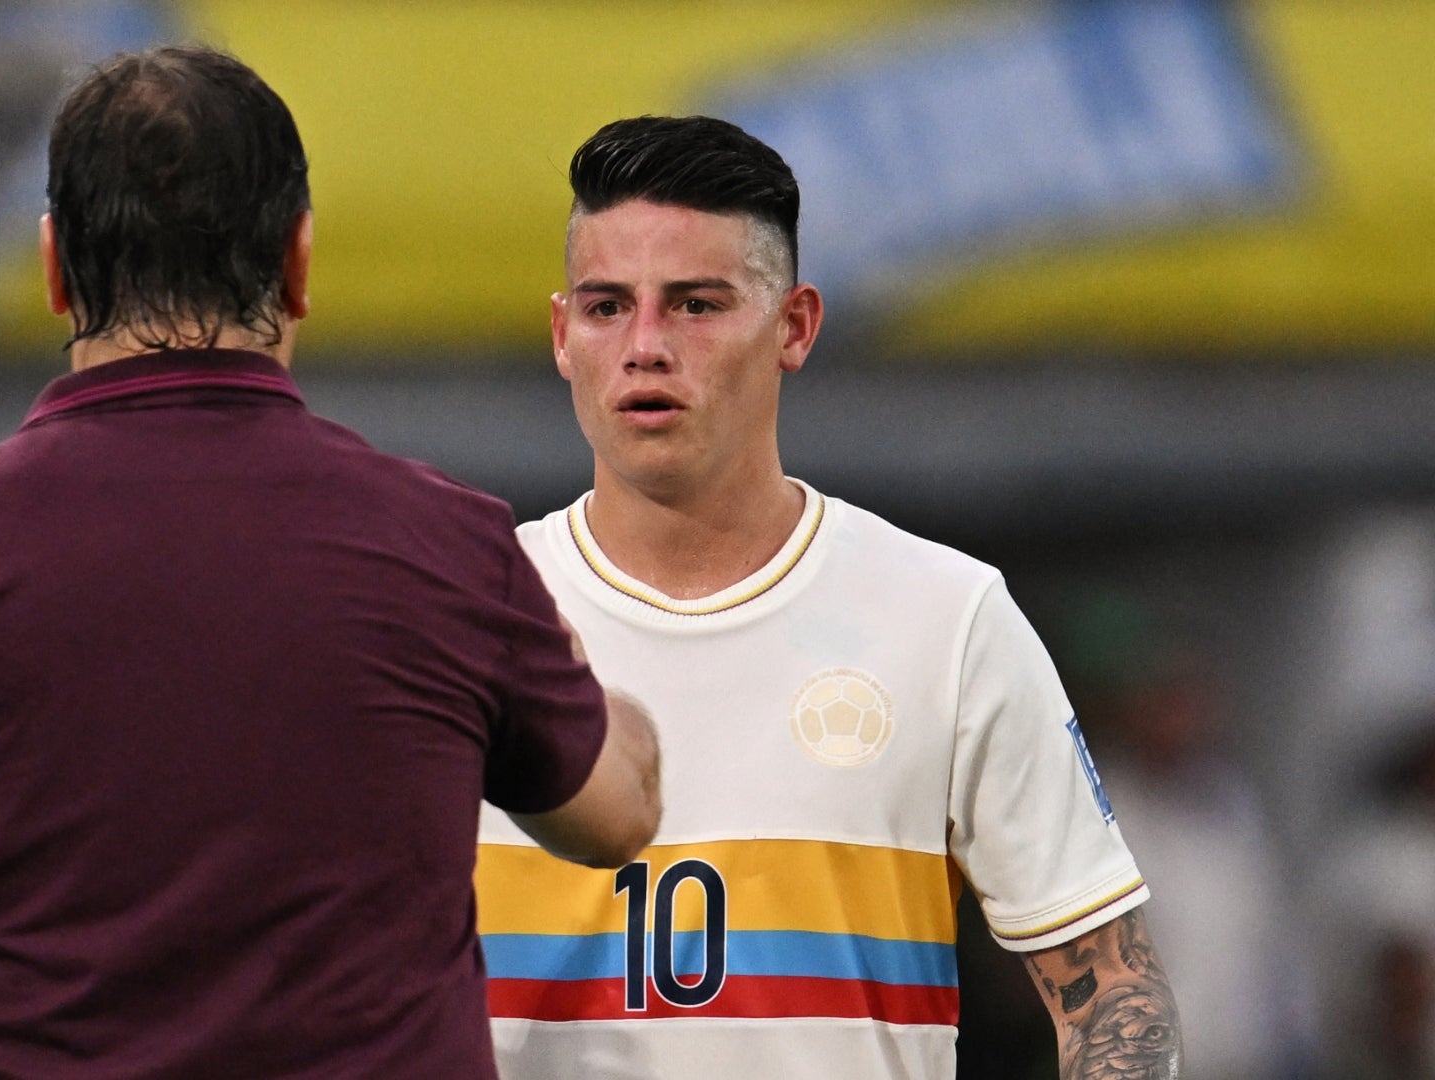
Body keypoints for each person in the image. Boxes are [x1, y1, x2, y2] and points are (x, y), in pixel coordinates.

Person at [0, 47, 661, 1079]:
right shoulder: (450, 548)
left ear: (54, 269)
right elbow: (617, 815)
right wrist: (587, 681)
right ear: (298, 264)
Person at [473, 116, 1181, 1079]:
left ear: (795, 327)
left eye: (694, 305)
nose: (644, 345)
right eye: (607, 307)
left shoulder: (948, 618)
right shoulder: (461, 618)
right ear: (562, 335)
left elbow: (1117, 1002)